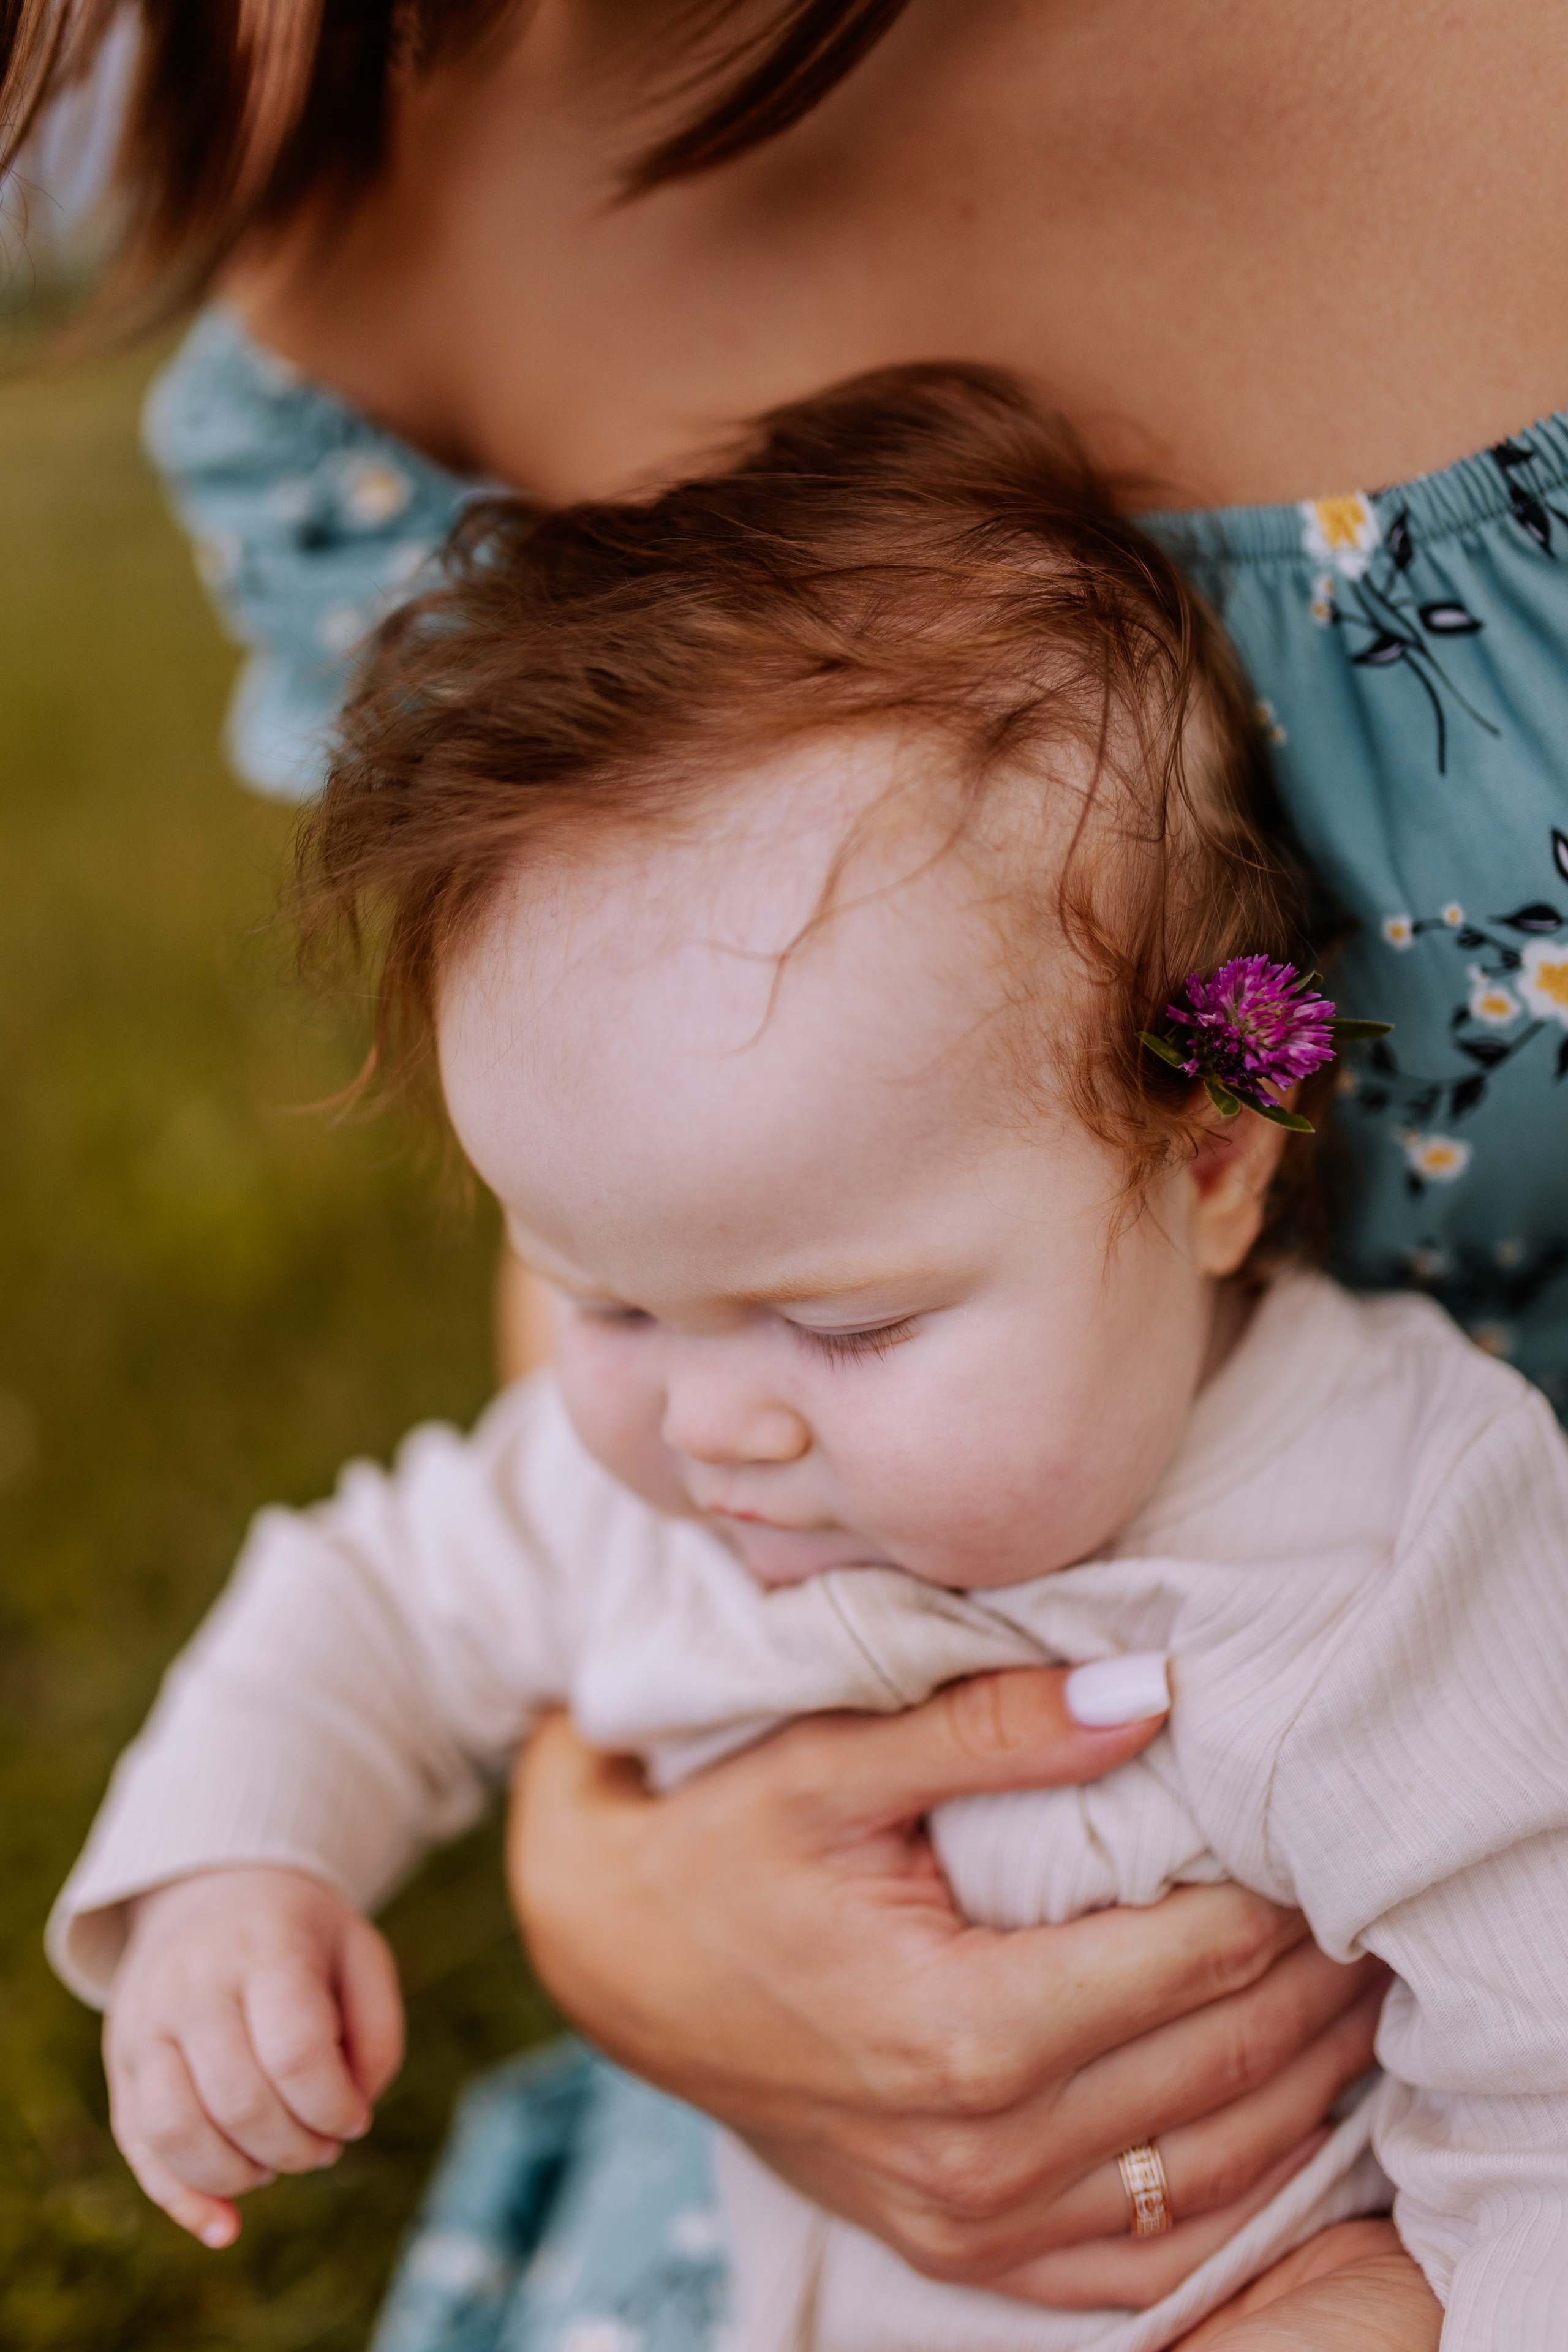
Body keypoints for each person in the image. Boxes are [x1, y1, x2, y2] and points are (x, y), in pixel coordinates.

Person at [9, 0, 1567, 2326]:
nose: (706, 1412)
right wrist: (236, 1886)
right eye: (611, 1293)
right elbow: (354, 1609)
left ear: (1219, 1161)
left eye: (852, 1323)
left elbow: (1541, 2082)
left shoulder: (1386, 1537)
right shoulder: (667, 1465)